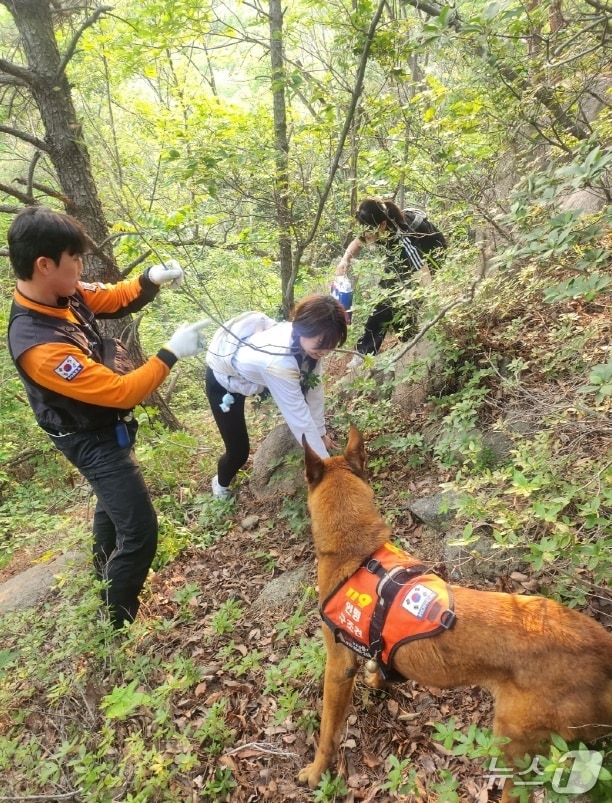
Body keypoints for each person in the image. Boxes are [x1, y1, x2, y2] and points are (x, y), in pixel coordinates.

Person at [6, 205, 208, 629]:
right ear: (44, 265)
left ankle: (102, 575)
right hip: (87, 438)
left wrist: (149, 278)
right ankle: (117, 620)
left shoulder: (64, 292)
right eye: (73, 259)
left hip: (101, 427)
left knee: (110, 507)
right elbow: (122, 392)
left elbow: (113, 298)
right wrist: (170, 353)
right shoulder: (40, 345)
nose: (80, 268)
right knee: (140, 531)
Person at [205, 293, 347, 499]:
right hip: (224, 384)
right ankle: (220, 485)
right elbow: (298, 417)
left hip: (255, 378)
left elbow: (315, 390)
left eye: (331, 344)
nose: (325, 351)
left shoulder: (311, 346)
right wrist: (326, 469)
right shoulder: (278, 362)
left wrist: (321, 432)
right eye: (321, 343)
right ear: (301, 329)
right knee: (238, 452)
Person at [336, 197, 447, 362]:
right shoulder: (374, 224)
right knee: (386, 296)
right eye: (364, 230)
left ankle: (407, 341)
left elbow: (423, 273)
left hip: (430, 257)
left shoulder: (403, 238)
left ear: (381, 225)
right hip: (400, 258)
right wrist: (344, 259)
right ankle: (374, 349)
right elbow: (359, 241)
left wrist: (434, 307)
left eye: (369, 232)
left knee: (393, 298)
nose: (366, 235)